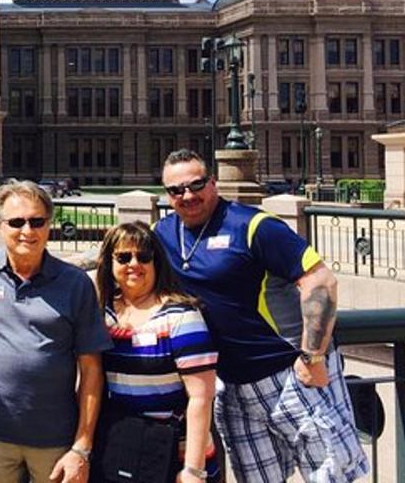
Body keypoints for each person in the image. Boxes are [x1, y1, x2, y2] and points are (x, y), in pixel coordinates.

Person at [156, 149, 368, 483]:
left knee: (332, 476)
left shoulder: (254, 225)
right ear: (167, 195)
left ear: (213, 182)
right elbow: (120, 261)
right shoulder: (163, 234)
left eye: (196, 184)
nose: (187, 195)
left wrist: (313, 357)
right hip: (229, 387)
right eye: (176, 190)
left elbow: (321, 280)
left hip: (289, 374)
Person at [0, 180, 109, 483]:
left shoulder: (76, 283)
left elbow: (91, 370)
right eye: (16, 222)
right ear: (0, 226)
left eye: (37, 221)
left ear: (49, 225)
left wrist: (82, 445)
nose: (28, 231)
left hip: (55, 437)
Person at [92, 221, 220, 483]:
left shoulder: (181, 317)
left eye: (144, 256)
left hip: (177, 449)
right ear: (110, 263)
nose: (134, 264)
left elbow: (201, 397)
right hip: (122, 445)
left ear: (156, 262)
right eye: (124, 257)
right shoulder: (102, 314)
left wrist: (193, 469)